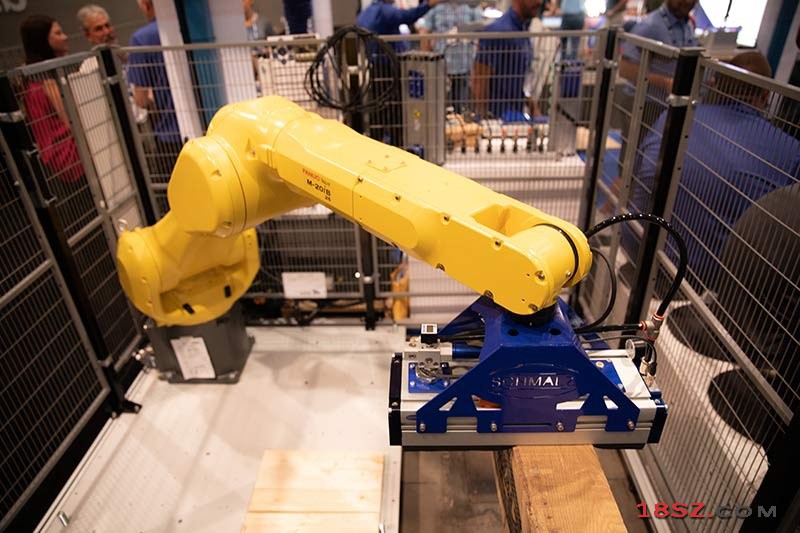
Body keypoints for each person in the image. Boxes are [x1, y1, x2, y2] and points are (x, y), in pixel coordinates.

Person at [633, 52, 800, 287]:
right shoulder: (791, 150)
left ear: (717, 84)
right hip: (709, 280)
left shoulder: (674, 117)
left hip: (637, 245)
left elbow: (637, 175)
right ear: (765, 95)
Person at [19, 14, 96, 228]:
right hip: (71, 158)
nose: (65, 37)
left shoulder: (28, 80)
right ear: (43, 40)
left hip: (51, 160)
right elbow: (72, 122)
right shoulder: (48, 81)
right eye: (58, 33)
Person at [127, 0, 182, 181]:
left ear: (145, 4)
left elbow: (141, 99)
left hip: (170, 136)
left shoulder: (141, 39)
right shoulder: (188, 26)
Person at [472, 0, 543, 121]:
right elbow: (479, 79)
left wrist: (532, 106)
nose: (539, 2)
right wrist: (485, 120)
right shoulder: (498, 32)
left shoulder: (523, 30)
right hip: (498, 121)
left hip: (515, 119)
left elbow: (517, 82)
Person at [418, 1, 483, 113]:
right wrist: (426, 60)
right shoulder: (436, 6)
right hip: (440, 65)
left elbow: (480, 33)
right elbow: (425, 32)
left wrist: (477, 64)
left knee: (460, 107)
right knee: (438, 106)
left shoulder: (472, 6)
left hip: (464, 64)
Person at [357, 0, 440, 53]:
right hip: (387, 60)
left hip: (373, 59)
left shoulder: (365, 13)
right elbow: (407, 16)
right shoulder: (384, 11)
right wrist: (428, 5)